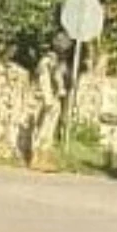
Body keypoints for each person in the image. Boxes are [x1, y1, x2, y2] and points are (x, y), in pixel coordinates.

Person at [29, 32, 71, 169]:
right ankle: (36, 158)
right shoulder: (47, 61)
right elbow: (43, 80)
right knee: (42, 127)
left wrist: (61, 90)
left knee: (50, 129)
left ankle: (45, 158)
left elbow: (59, 79)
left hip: (55, 98)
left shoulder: (59, 62)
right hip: (46, 98)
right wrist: (47, 98)